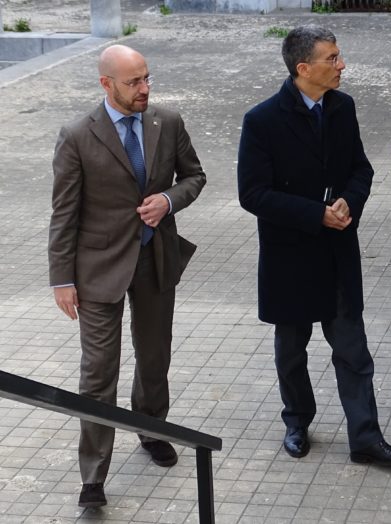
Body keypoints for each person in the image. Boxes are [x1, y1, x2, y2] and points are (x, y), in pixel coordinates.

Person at [237, 25, 391, 466]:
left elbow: (361, 169)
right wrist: (316, 214)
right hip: (290, 257)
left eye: (338, 56)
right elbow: (253, 194)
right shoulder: (262, 120)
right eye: (332, 58)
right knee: (291, 352)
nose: (342, 65)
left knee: (353, 349)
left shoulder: (342, 107)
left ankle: (366, 439)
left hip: (336, 252)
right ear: (303, 68)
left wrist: (349, 201)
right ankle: (297, 421)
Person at [48, 44, 206, 508]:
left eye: (147, 78)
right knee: (99, 373)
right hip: (98, 270)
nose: (144, 88)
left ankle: (151, 430)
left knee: (154, 358)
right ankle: (93, 475)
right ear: (106, 84)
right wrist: (62, 280)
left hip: (155, 259)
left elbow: (194, 176)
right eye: (133, 81)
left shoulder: (167, 122)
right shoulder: (77, 135)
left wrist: (168, 201)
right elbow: (64, 214)